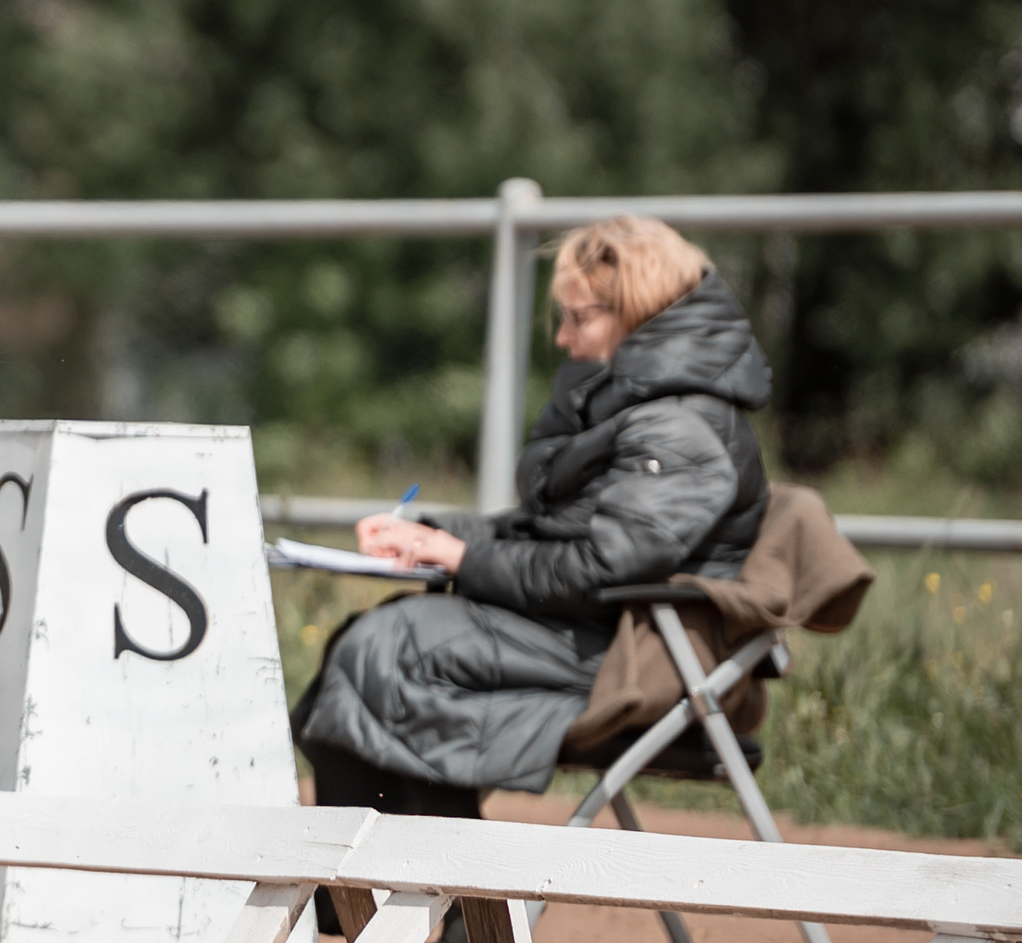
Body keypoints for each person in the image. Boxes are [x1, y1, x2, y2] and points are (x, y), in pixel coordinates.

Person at [291, 215, 772, 855]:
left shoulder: (681, 426)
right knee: (366, 646)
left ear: (636, 312)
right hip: (592, 629)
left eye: (578, 317)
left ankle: (438, 883)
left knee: (390, 647)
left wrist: (464, 556)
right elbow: (556, 531)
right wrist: (431, 536)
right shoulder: (639, 406)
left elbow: (600, 566)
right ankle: (384, 886)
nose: (563, 337)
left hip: (640, 655)